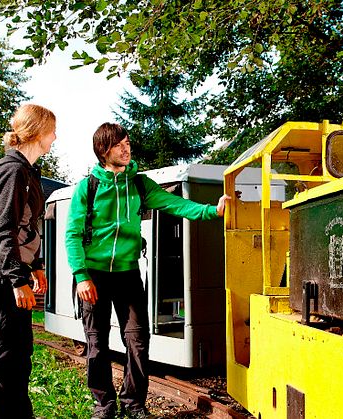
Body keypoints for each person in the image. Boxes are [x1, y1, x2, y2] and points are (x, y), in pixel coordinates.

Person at [65, 122, 230, 419]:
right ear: (104, 151)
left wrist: (211, 211)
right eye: (119, 145)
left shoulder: (139, 185)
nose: (126, 148)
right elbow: (72, 234)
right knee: (96, 344)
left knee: (138, 341)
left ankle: (133, 403)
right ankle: (104, 406)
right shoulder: (87, 188)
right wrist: (81, 275)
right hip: (94, 276)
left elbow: (176, 205)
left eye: (128, 142)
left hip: (128, 274)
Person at [0, 104, 56, 418]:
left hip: (15, 269)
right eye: (52, 130)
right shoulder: (11, 170)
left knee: (21, 353)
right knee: (3, 354)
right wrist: (17, 278)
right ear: (37, 132)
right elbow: (5, 228)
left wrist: (35, 266)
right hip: (3, 271)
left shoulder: (27, 172)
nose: (55, 137)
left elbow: (27, 225)